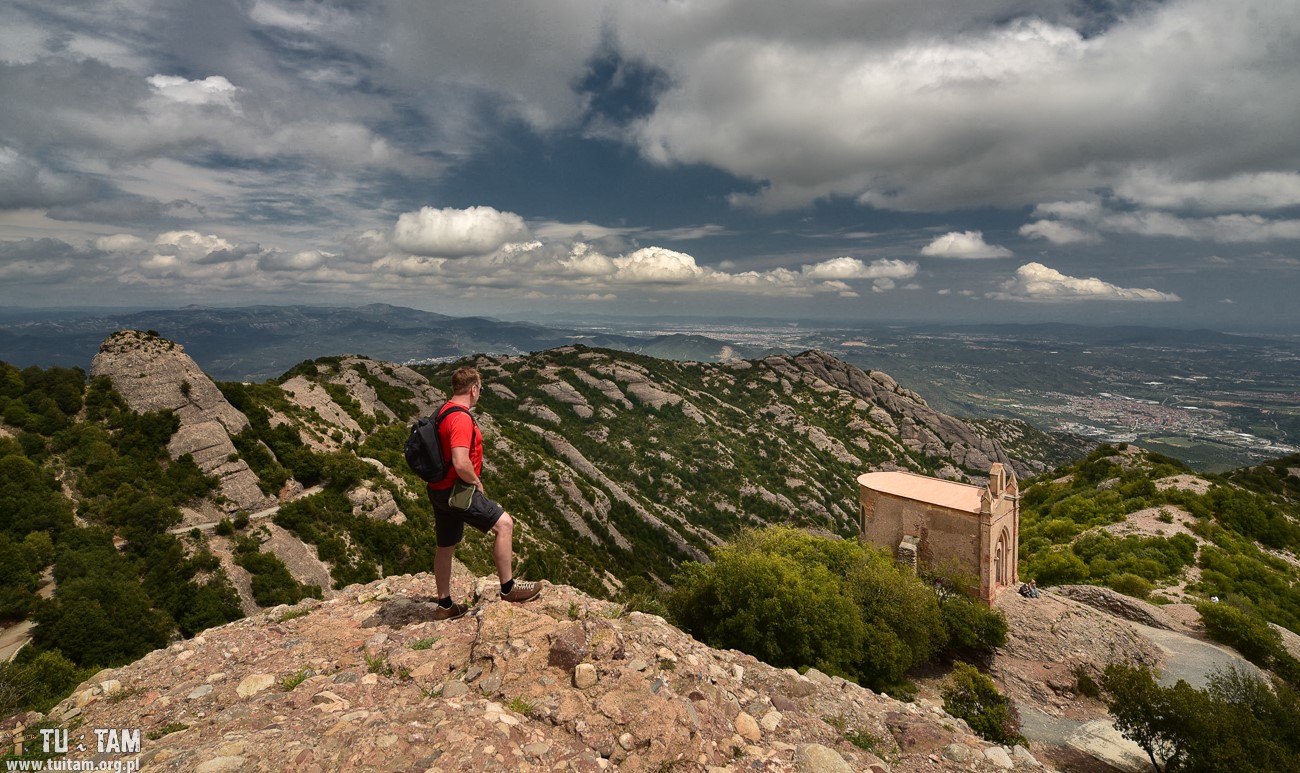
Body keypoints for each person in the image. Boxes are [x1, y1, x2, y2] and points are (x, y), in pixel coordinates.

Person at [426, 366, 543, 620]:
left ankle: (444, 606)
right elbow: (460, 461)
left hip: (439, 490)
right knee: (504, 524)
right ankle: (508, 588)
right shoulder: (460, 417)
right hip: (458, 491)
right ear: (474, 389)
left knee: (445, 546)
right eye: (480, 389)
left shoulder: (443, 411)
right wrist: (476, 481)